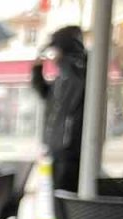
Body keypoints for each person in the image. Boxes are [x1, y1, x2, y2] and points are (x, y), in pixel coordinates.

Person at [32, 26, 87, 193]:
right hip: (61, 147)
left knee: (63, 197)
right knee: (60, 196)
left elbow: (62, 98)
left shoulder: (74, 72)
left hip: (68, 149)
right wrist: (37, 68)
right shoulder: (64, 76)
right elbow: (45, 93)